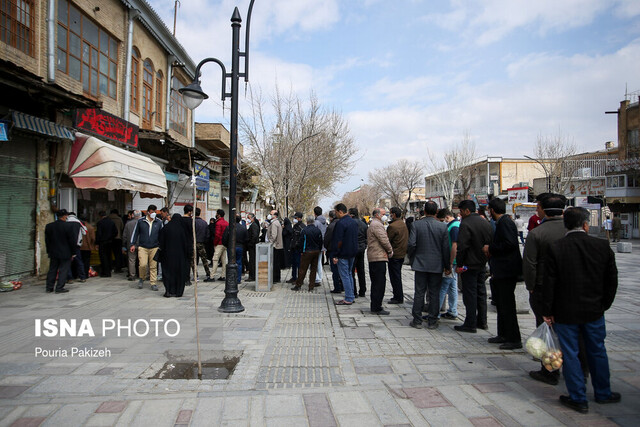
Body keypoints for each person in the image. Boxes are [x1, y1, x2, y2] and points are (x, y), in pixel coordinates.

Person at [542, 207, 620, 414]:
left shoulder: (556, 247)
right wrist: (604, 304)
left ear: (566, 225)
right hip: (594, 310)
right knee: (597, 350)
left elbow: (549, 283)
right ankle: (603, 392)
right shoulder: (602, 246)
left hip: (565, 312)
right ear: (585, 225)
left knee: (571, 353)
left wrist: (547, 310)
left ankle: (578, 397)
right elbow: (612, 280)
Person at [523, 193, 572, 385]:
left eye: (538, 207)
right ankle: (575, 367)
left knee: (547, 330)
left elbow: (529, 263)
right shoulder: (572, 229)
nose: (537, 210)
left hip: (543, 288)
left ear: (543, 209)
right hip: (570, 288)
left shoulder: (538, 233)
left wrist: (531, 286)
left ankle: (550, 370)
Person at [486, 198, 522, 349]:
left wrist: (491, 248)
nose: (488, 213)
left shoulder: (505, 223)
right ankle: (503, 334)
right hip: (501, 270)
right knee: (501, 304)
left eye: (489, 210)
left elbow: (510, 244)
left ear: (493, 210)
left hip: (507, 271)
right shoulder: (501, 223)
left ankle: (513, 338)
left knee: (507, 305)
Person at [408, 201, 450, 329]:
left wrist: (412, 258)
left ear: (424, 211)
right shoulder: (442, 227)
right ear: (436, 212)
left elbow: (411, 244)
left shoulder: (416, 225)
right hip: (436, 265)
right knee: (434, 293)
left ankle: (417, 320)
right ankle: (432, 321)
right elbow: (445, 249)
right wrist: (447, 266)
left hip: (420, 264)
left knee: (419, 292)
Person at [454, 200, 493, 333]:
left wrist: (459, 264)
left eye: (461, 211)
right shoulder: (485, 222)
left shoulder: (466, 224)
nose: (460, 214)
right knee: (481, 292)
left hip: (469, 264)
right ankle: (482, 321)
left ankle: (470, 323)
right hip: (482, 263)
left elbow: (462, 246)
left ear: (467, 211)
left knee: (470, 294)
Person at [367, 208, 393, 314]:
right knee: (379, 283)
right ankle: (376, 307)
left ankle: (375, 305)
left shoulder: (373, 224)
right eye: (383, 214)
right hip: (378, 257)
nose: (385, 215)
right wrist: (390, 250)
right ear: (377, 215)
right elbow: (384, 240)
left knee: (376, 282)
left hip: (374, 256)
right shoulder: (377, 225)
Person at [332, 203, 359, 306]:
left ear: (340, 212)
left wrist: (335, 255)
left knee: (345, 275)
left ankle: (348, 297)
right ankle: (351, 295)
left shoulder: (341, 223)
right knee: (349, 274)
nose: (335, 214)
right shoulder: (353, 222)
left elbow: (338, 240)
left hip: (343, 253)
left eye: (336, 212)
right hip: (352, 252)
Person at [130, 205, 162, 291]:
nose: (153, 214)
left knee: (153, 266)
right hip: (143, 247)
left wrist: (161, 245)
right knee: (143, 264)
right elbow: (135, 233)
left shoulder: (158, 222)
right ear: (148, 212)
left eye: (154, 212)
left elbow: (162, 234)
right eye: (152, 212)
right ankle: (142, 278)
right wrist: (132, 244)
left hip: (154, 247)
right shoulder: (141, 221)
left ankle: (153, 283)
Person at [44, 209, 77, 293]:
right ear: (64, 216)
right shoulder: (69, 226)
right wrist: (73, 252)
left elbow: (47, 240)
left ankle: (49, 287)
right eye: (66, 215)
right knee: (63, 269)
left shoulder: (49, 226)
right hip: (65, 252)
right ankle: (59, 287)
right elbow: (72, 240)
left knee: (52, 269)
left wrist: (49, 251)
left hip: (53, 252)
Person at [158, 213, 190, 297]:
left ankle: (168, 290)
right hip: (180, 257)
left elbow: (161, 242)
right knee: (179, 273)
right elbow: (186, 244)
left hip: (167, 256)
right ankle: (178, 291)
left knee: (168, 273)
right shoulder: (182, 230)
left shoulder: (166, 228)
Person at [436, 208, 459, 320]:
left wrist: (449, 263)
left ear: (446, 217)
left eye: (441, 220)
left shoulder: (454, 226)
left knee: (443, 286)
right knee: (452, 286)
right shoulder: (454, 225)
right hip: (453, 261)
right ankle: (453, 310)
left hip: (452, 261)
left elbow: (455, 245)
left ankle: (435, 313)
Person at [292, 216, 323, 291]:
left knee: (302, 269)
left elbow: (301, 242)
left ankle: (298, 285)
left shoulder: (304, 230)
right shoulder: (318, 230)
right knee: (313, 269)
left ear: (307, 221)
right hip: (316, 251)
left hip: (307, 251)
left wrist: (301, 251)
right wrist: (319, 249)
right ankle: (311, 286)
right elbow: (320, 241)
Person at [387, 206, 408, 304]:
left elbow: (387, 240)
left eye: (391, 213)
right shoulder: (403, 224)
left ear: (394, 214)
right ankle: (398, 295)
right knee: (397, 275)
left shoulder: (393, 226)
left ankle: (398, 296)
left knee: (395, 277)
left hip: (394, 254)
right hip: (402, 253)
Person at [222, 215, 249, 284]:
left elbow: (224, 238)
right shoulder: (243, 228)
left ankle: (231, 278)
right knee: (239, 263)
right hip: (240, 247)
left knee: (230, 262)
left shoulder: (229, 227)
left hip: (231, 247)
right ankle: (238, 279)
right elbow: (246, 239)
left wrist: (227, 245)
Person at [349, 208, 368, 297]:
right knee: (361, 270)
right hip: (361, 248)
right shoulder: (363, 224)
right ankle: (362, 290)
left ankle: (354, 291)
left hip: (352, 249)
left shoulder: (350, 224)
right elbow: (366, 237)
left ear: (351, 215)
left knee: (351, 271)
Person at [324, 210, 343, 293]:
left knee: (335, 270)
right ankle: (343, 286)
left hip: (333, 250)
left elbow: (327, 239)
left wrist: (326, 247)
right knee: (343, 270)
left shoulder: (331, 226)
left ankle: (337, 287)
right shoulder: (342, 224)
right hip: (342, 250)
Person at [193, 207, 213, 282]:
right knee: (204, 260)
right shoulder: (204, 223)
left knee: (194, 260)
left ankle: (196, 275)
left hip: (194, 243)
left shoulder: (193, 222)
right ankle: (208, 274)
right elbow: (208, 234)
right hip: (201, 243)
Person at [66, 212, 87, 282]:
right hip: (77, 244)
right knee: (79, 261)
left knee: (67, 262)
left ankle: (69, 278)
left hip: (67, 244)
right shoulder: (79, 222)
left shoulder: (66, 221)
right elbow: (85, 232)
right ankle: (82, 277)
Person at [96, 210, 117, 277]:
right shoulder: (111, 222)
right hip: (110, 241)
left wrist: (97, 243)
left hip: (102, 242)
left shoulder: (100, 223)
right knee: (109, 256)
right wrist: (111, 237)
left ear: (100, 216)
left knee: (103, 257)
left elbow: (98, 234)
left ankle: (105, 272)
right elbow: (115, 232)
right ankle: (109, 270)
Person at [122, 210, 141, 281]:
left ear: (133, 215)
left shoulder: (128, 224)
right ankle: (143, 275)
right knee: (142, 261)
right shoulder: (143, 223)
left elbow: (124, 236)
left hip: (130, 245)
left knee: (131, 260)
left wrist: (124, 244)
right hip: (141, 245)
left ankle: (132, 275)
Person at [210, 209, 229, 281]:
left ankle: (212, 276)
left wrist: (215, 243)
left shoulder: (218, 223)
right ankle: (223, 275)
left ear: (219, 215)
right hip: (225, 244)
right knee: (224, 260)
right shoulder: (226, 223)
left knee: (215, 259)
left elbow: (217, 235)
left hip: (219, 243)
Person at [267, 210, 284, 283]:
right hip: (277, 245)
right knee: (276, 263)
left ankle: (275, 278)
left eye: (271, 214)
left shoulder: (274, 223)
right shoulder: (276, 222)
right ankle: (277, 278)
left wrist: (269, 243)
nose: (269, 215)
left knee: (275, 263)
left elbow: (273, 235)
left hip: (275, 246)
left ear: (275, 216)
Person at [288, 212, 304, 284]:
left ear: (299, 218)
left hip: (299, 249)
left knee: (299, 265)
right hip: (293, 248)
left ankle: (299, 279)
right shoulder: (295, 226)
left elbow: (302, 239)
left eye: (295, 218)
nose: (294, 219)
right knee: (293, 264)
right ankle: (294, 277)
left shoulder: (302, 227)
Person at [314, 206, 328, 286]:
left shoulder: (316, 222)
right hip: (323, 244)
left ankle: (318, 278)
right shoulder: (324, 222)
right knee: (319, 261)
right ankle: (320, 277)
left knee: (315, 262)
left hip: (316, 244)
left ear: (315, 213)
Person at [79, 215, 96, 280]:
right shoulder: (90, 227)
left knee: (80, 261)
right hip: (87, 247)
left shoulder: (79, 226)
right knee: (86, 261)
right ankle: (85, 274)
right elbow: (93, 238)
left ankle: (79, 274)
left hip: (80, 246)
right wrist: (92, 245)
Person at [108, 209, 124, 273]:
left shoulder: (108, 219)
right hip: (118, 238)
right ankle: (118, 268)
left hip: (109, 239)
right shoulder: (119, 219)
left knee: (109, 254)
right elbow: (122, 227)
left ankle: (110, 267)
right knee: (118, 254)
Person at [246, 213, 260, 281]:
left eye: (248, 218)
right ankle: (252, 275)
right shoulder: (252, 225)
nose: (248, 219)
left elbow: (254, 235)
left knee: (252, 261)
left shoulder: (254, 225)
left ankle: (252, 276)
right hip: (252, 246)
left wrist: (250, 243)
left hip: (253, 247)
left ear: (252, 218)